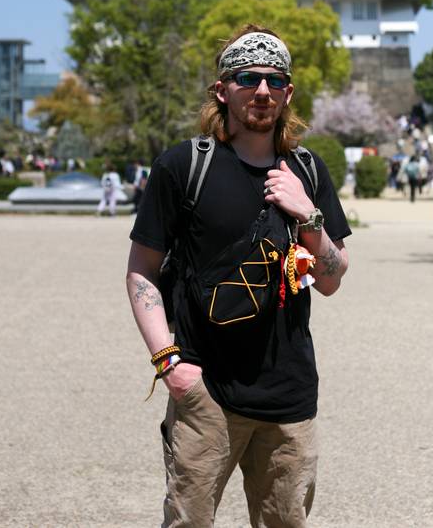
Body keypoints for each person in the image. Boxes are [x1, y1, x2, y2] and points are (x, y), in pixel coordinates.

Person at [126, 26, 350, 528]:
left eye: (275, 80)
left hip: (289, 394)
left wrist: (307, 214)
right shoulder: (183, 167)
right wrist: (169, 363)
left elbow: (333, 278)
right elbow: (141, 271)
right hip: (206, 389)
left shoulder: (308, 170)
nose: (263, 91)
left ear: (289, 93)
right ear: (222, 89)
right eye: (248, 78)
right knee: (189, 523)